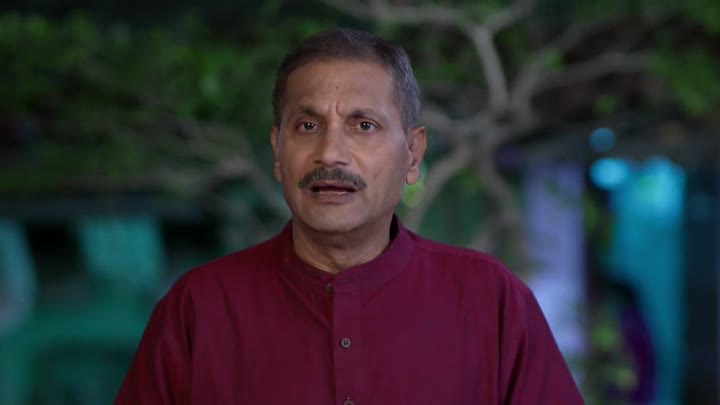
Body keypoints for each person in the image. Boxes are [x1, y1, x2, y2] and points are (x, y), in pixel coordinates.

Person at [115, 28, 584, 404]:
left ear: (413, 153)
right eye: (307, 125)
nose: (330, 153)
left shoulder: (490, 301)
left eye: (363, 125)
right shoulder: (198, 309)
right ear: (277, 151)